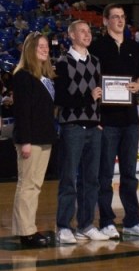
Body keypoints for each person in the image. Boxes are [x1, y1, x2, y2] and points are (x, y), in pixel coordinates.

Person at [90, 3, 139, 238]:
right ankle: (106, 221)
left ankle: (132, 221)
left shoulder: (134, 47)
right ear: (105, 21)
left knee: (129, 174)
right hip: (106, 120)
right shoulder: (96, 48)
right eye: (114, 17)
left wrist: (138, 85)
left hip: (129, 120)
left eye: (122, 17)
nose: (119, 20)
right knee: (105, 175)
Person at [54, 20, 109, 243]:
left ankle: (85, 224)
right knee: (69, 178)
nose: (88, 34)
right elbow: (61, 98)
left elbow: (100, 95)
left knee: (91, 179)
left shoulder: (96, 62)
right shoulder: (62, 63)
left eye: (89, 31)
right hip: (72, 126)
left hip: (93, 127)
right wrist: (87, 99)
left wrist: (99, 118)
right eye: (83, 31)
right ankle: (63, 226)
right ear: (72, 36)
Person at [12, 31, 57, 247]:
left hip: (44, 138)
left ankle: (28, 228)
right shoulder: (22, 76)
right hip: (30, 140)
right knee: (27, 185)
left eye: (46, 46)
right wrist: (26, 141)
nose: (45, 49)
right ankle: (26, 232)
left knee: (35, 186)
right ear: (30, 49)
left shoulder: (46, 77)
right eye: (40, 46)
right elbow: (22, 112)